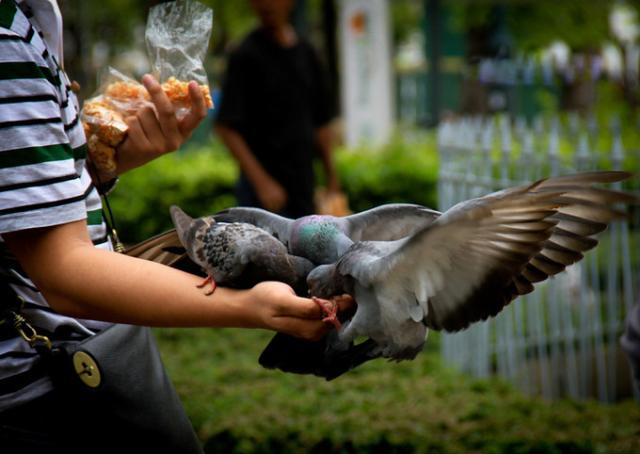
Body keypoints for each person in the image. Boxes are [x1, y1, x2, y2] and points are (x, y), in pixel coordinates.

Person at [0, 0, 345, 451]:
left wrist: (101, 168)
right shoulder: (9, 40)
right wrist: (249, 308)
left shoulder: (30, 21)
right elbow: (62, 272)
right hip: (41, 390)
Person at [214, 0, 341, 218]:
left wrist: (331, 177)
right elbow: (226, 128)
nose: (267, 4)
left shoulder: (307, 53)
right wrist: (262, 183)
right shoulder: (244, 55)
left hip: (303, 186)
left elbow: (321, 122)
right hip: (260, 196)